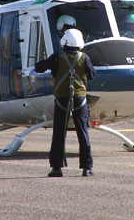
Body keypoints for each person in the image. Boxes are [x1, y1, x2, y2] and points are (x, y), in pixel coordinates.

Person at [35, 28, 96, 177]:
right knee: (83, 133)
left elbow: (38, 68)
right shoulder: (84, 57)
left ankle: (56, 168)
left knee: (59, 133)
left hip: (62, 99)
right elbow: (92, 74)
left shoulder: (56, 57)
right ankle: (87, 168)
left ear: (64, 41)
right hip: (80, 100)